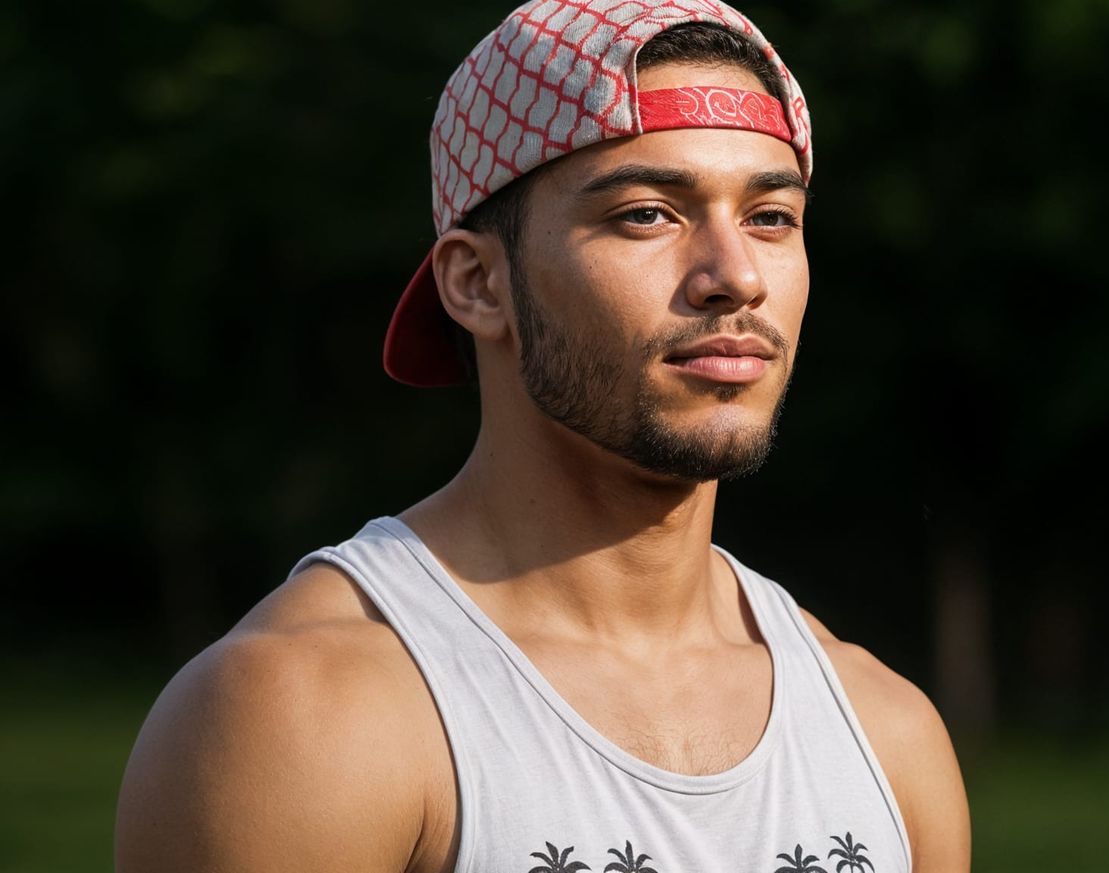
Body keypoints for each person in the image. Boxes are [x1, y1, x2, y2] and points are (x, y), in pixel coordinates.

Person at [115, 1, 970, 871]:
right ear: (479, 283)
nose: (736, 277)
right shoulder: (304, 719)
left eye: (770, 217)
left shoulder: (884, 734)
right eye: (648, 213)